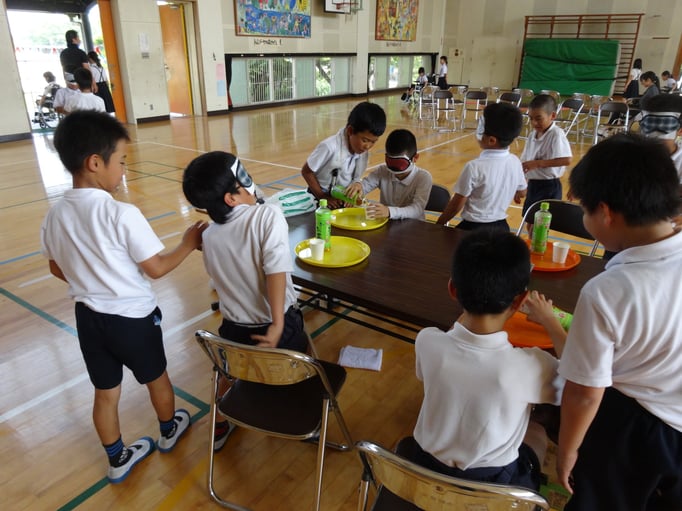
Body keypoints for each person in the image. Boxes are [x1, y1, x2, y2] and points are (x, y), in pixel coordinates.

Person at [40, 111, 208, 483]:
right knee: (156, 379)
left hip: (89, 319)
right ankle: (169, 430)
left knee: (105, 393)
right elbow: (156, 267)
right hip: (132, 320)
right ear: (95, 163)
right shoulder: (120, 213)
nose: (123, 171)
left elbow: (55, 267)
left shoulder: (54, 215)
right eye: (121, 162)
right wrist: (188, 242)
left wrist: (88, 279)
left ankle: (118, 458)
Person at [557, 134, 682, 510]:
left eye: (584, 210)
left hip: (632, 428)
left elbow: (585, 393)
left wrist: (567, 450)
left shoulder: (607, 291)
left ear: (606, 213)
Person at [404, 230, 565, 490]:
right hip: (493, 484)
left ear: (452, 289)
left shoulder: (427, 340)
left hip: (424, 467)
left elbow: (454, 339)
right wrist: (550, 320)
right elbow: (578, 374)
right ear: (520, 300)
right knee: (537, 433)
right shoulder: (533, 365)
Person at [183, 151, 310, 450]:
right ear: (230, 197)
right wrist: (277, 323)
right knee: (298, 360)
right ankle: (298, 416)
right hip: (276, 328)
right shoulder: (268, 216)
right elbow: (275, 270)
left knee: (229, 366)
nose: (253, 184)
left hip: (233, 331)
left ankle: (220, 420)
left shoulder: (209, 236)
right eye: (245, 179)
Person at [436, 102, 527, 230]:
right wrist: (515, 191)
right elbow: (522, 192)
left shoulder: (474, 167)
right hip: (501, 227)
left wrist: (439, 223)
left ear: (491, 140)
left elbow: (456, 204)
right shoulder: (515, 161)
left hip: (474, 228)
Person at [301, 101, 386, 209]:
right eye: (365, 140)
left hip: (340, 197)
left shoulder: (363, 152)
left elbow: (356, 178)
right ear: (350, 131)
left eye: (373, 142)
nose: (368, 146)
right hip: (318, 196)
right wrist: (323, 197)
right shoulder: (329, 146)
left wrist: (352, 193)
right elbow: (306, 171)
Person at [345, 129, 432, 220]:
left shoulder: (423, 178)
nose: (394, 169)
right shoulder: (382, 171)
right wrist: (358, 186)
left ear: (415, 158)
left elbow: (417, 209)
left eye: (399, 163)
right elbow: (365, 185)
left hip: (414, 225)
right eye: (390, 162)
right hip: (387, 223)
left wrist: (389, 211)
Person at [520, 94, 572, 230]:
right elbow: (525, 163)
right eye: (531, 118)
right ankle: (532, 242)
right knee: (529, 222)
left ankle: (537, 244)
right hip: (533, 184)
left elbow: (567, 160)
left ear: (552, 116)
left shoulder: (556, 134)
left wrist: (538, 163)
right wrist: (520, 185)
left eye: (539, 118)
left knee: (540, 226)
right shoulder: (532, 135)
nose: (534, 123)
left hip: (549, 186)